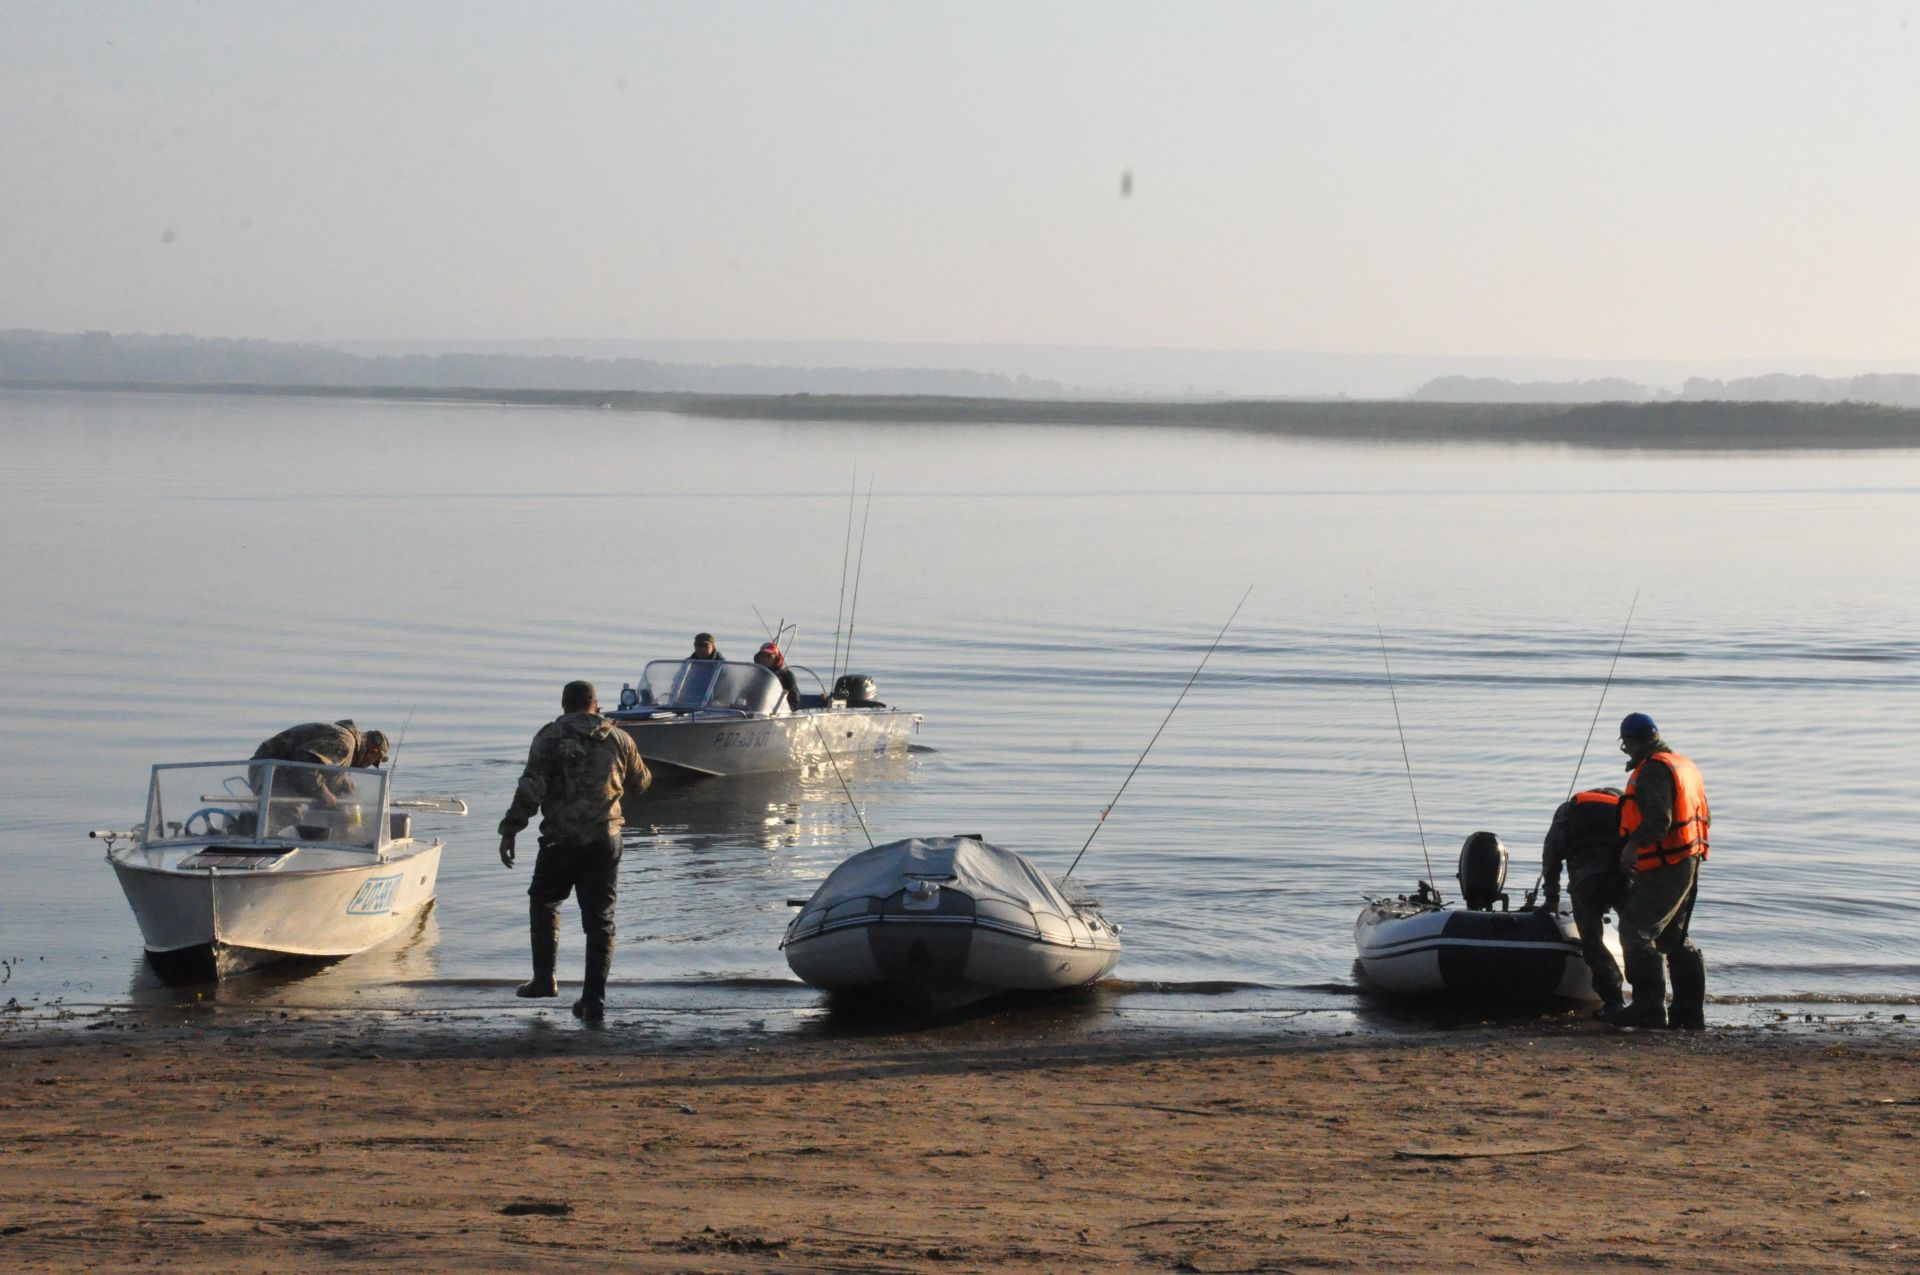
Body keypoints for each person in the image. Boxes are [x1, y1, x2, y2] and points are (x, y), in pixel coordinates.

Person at [497, 681, 652, 1023]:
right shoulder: (620, 738)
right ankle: (593, 1001)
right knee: (600, 922)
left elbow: (531, 788)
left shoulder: (550, 736)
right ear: (595, 705)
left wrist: (511, 829)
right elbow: (642, 783)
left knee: (544, 900)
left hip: (561, 839)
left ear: (565, 705)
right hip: (604, 840)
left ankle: (544, 978)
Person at [1599, 712, 1710, 1030]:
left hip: (1666, 863)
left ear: (1631, 742)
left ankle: (1648, 1008)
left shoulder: (1652, 771)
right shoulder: (1682, 764)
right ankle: (1688, 1013)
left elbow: (1658, 820)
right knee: (1674, 936)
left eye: (1626, 745)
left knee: (1635, 931)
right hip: (1689, 857)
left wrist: (1632, 846)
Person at [1540, 786, 1629, 1012]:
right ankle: (1648, 1002)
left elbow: (1552, 852)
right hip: (1625, 877)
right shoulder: (1626, 807)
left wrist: (1552, 896)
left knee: (1591, 938)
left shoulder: (1569, 810)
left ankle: (1613, 1000)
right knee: (1636, 936)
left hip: (1586, 878)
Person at [249, 720, 390, 824]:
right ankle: (249, 833)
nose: (366, 766)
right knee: (290, 818)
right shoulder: (345, 744)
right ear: (373, 752)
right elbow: (305, 760)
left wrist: (341, 782)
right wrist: (322, 791)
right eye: (372, 762)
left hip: (283, 768)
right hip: (270, 768)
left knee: (323, 810)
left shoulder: (347, 742)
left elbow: (321, 764)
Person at [754, 641, 802, 710]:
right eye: (762, 656)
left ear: (776, 658)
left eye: (769, 656)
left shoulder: (786, 675)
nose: (765, 659)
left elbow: (794, 701)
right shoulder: (757, 674)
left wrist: (787, 710)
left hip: (778, 712)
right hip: (757, 711)